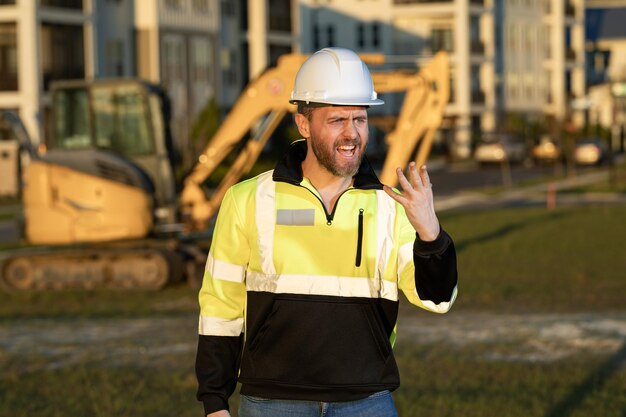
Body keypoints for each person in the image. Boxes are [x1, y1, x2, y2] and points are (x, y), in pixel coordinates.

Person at [195, 47, 458, 417]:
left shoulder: (390, 207)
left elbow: (438, 300)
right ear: (304, 124)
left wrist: (431, 233)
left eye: (360, 119)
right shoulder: (248, 199)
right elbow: (220, 305)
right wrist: (214, 399)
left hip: (367, 400)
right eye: (337, 120)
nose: (352, 134)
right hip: (273, 402)